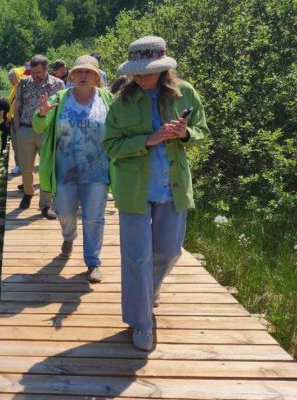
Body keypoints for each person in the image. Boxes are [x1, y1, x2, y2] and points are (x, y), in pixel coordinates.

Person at [103, 36, 209, 351]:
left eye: (151, 70)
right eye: (139, 72)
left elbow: (202, 132)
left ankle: (150, 289)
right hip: (133, 189)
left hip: (172, 186)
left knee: (170, 251)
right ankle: (142, 322)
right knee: (137, 258)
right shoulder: (120, 101)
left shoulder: (185, 93)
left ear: (164, 69)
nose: (145, 77)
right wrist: (147, 140)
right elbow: (110, 146)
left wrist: (186, 133)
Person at [34, 55, 113, 283]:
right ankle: (69, 237)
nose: (83, 76)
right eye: (79, 72)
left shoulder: (107, 100)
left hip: (97, 172)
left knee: (94, 217)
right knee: (64, 212)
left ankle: (93, 261)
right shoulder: (60, 99)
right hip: (65, 169)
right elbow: (40, 126)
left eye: (89, 72)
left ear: (97, 77)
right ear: (72, 76)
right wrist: (41, 113)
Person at [13, 55, 65, 218]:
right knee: (26, 168)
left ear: (46, 69)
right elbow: (17, 107)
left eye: (38, 72)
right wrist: (18, 129)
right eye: (33, 72)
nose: (35, 75)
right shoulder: (24, 83)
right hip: (26, 130)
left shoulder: (58, 84)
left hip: (47, 131)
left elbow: (62, 109)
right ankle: (28, 193)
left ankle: (45, 204)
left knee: (46, 169)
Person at [7, 68, 26, 175]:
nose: (10, 80)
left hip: (20, 121)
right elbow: (11, 105)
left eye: (12, 78)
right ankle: (18, 165)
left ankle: (23, 166)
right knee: (15, 145)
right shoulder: (14, 88)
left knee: (21, 145)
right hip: (12, 120)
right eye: (9, 79)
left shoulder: (22, 88)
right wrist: (7, 117)